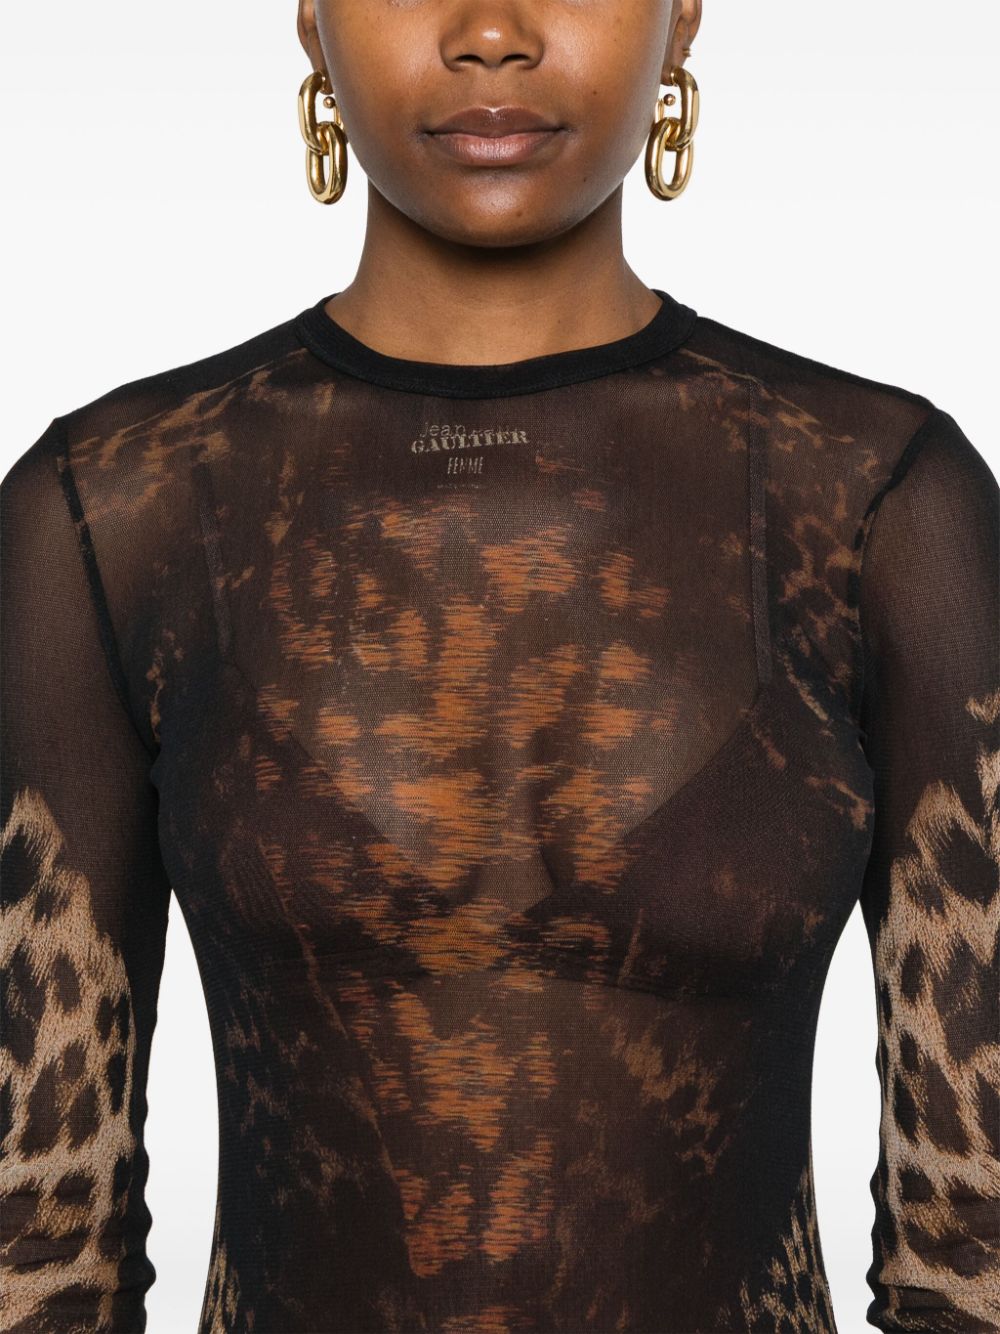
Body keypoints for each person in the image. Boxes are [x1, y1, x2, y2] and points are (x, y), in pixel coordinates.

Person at [1, 0, 997, 1330]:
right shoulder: (117, 508)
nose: (490, 31)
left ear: (682, 19)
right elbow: (36, 1239)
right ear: (310, 21)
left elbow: (977, 1243)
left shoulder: (876, 499)